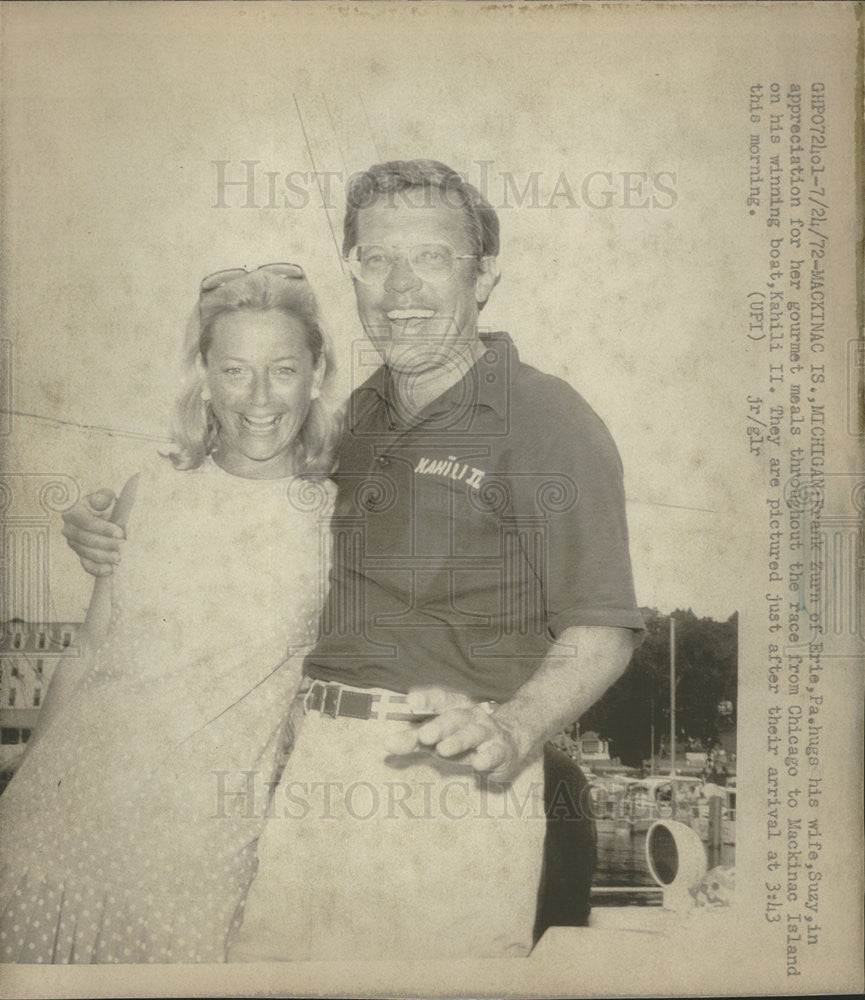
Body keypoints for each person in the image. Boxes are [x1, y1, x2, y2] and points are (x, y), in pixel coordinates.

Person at [61, 159, 643, 960]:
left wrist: (515, 729)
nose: (400, 287)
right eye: (376, 260)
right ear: (354, 274)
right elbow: (230, 490)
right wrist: (105, 523)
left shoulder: (547, 418)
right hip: (308, 778)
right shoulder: (353, 420)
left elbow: (601, 629)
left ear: (485, 276)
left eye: (431, 257)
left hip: (449, 787)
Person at [0, 265, 339, 964]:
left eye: (282, 369)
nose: (259, 398)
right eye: (234, 370)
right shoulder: (148, 491)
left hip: (198, 857)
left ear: (316, 373)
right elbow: (90, 649)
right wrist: (23, 786)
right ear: (205, 377)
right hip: (56, 824)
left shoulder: (335, 518)